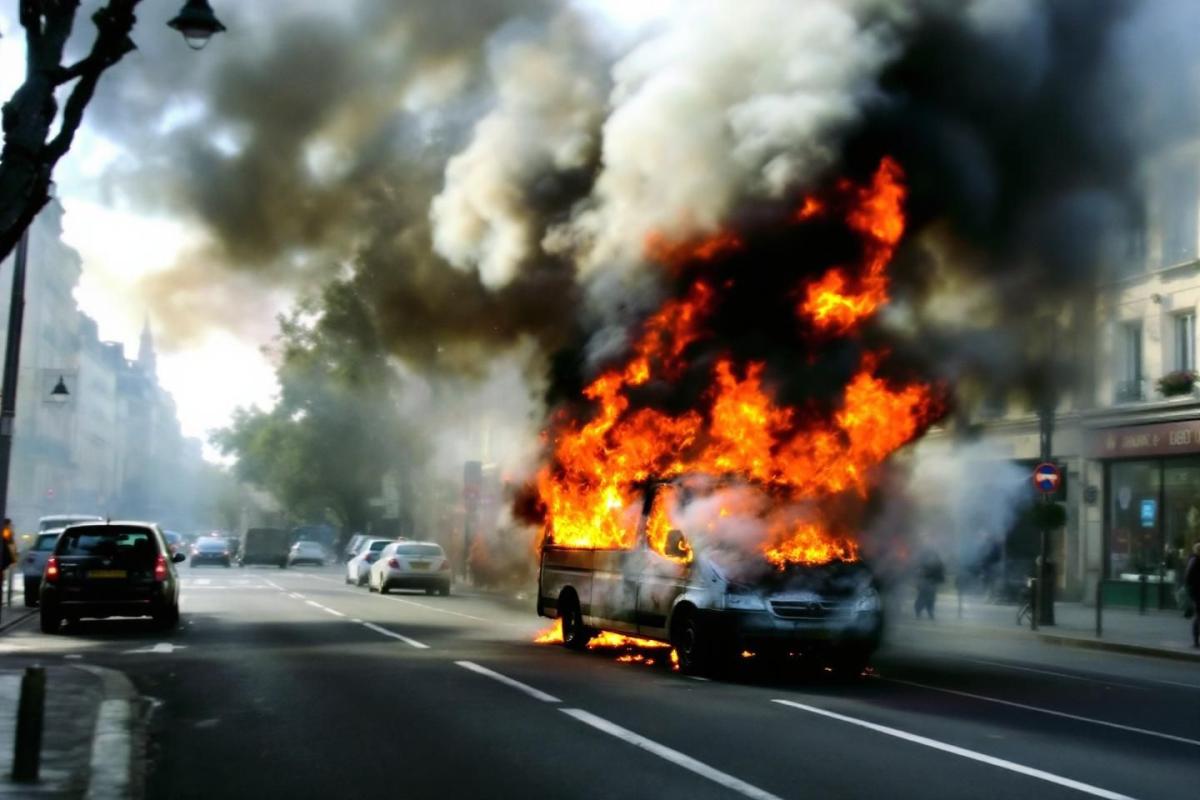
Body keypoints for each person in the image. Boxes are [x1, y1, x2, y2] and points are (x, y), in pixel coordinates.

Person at [914, 547, 945, 620]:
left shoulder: (937, 562)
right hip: (927, 583)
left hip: (930, 583)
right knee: (924, 598)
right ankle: (922, 611)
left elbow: (940, 573)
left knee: (929, 598)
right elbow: (919, 572)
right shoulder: (926, 562)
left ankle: (927, 611)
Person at [1184, 543, 1200, 648]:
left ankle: (1196, 641)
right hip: (1197, 592)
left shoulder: (1194, 560)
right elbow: (1188, 578)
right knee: (1198, 616)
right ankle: (1195, 641)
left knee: (1198, 616)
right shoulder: (1195, 561)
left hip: (1196, 591)